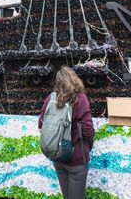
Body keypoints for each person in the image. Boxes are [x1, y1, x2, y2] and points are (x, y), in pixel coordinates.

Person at [38, 67, 95, 199]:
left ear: (57, 82)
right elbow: (88, 131)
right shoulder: (80, 99)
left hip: (57, 156)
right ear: (75, 80)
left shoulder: (50, 99)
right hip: (76, 159)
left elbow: (41, 125)